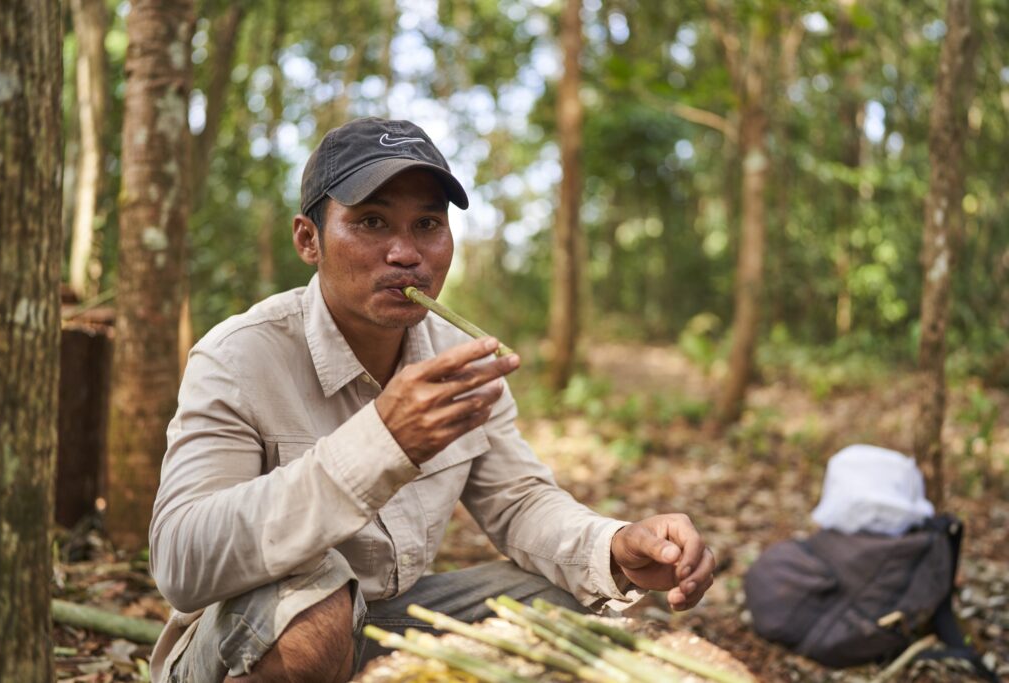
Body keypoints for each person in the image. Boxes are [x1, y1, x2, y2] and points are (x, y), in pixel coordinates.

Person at [148, 117, 715, 683]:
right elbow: (181, 562)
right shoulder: (238, 358)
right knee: (315, 614)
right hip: (242, 646)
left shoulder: (459, 358)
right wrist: (380, 444)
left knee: (569, 606)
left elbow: (517, 502)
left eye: (427, 224)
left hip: (383, 628)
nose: (405, 253)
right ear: (308, 239)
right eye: (371, 222)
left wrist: (615, 546)